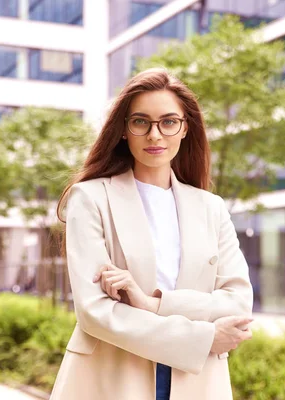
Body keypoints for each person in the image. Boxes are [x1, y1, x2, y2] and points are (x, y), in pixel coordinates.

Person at [50, 68, 254, 400]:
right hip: (111, 375)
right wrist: (202, 338)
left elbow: (238, 302)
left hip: (198, 381)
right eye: (141, 122)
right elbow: (94, 312)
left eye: (169, 122)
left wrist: (153, 304)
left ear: (185, 128)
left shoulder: (211, 207)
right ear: (123, 131)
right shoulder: (90, 198)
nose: (155, 135)